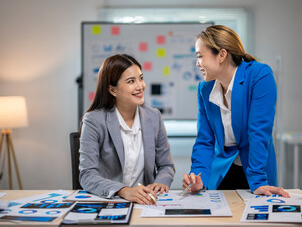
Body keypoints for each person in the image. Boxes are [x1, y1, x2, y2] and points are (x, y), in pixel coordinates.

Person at [182, 25, 289, 197]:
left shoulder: (259, 75)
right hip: (223, 171)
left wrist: (258, 180)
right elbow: (205, 139)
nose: (197, 63)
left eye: (200, 56)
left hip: (256, 170)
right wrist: (198, 176)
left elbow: (258, 132)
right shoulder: (204, 89)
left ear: (222, 55)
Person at [79, 54, 175, 205]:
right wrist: (123, 190)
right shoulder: (94, 120)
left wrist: (161, 182)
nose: (140, 86)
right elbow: (87, 174)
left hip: (145, 204)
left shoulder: (154, 117)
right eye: (131, 81)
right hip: (109, 202)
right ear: (112, 90)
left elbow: (166, 165)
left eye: (141, 78)